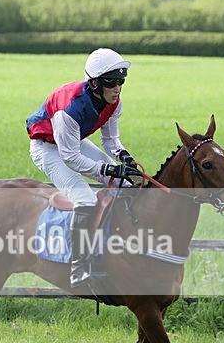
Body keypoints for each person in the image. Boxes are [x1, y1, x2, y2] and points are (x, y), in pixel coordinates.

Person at [27, 47, 140, 287]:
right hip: (47, 148)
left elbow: (110, 141)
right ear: (95, 84)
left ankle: (120, 248)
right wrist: (108, 170)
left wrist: (125, 158)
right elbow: (70, 158)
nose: (117, 88)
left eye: (121, 81)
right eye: (111, 82)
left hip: (72, 142)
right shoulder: (70, 109)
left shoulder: (114, 102)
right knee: (85, 199)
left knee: (127, 183)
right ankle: (79, 265)